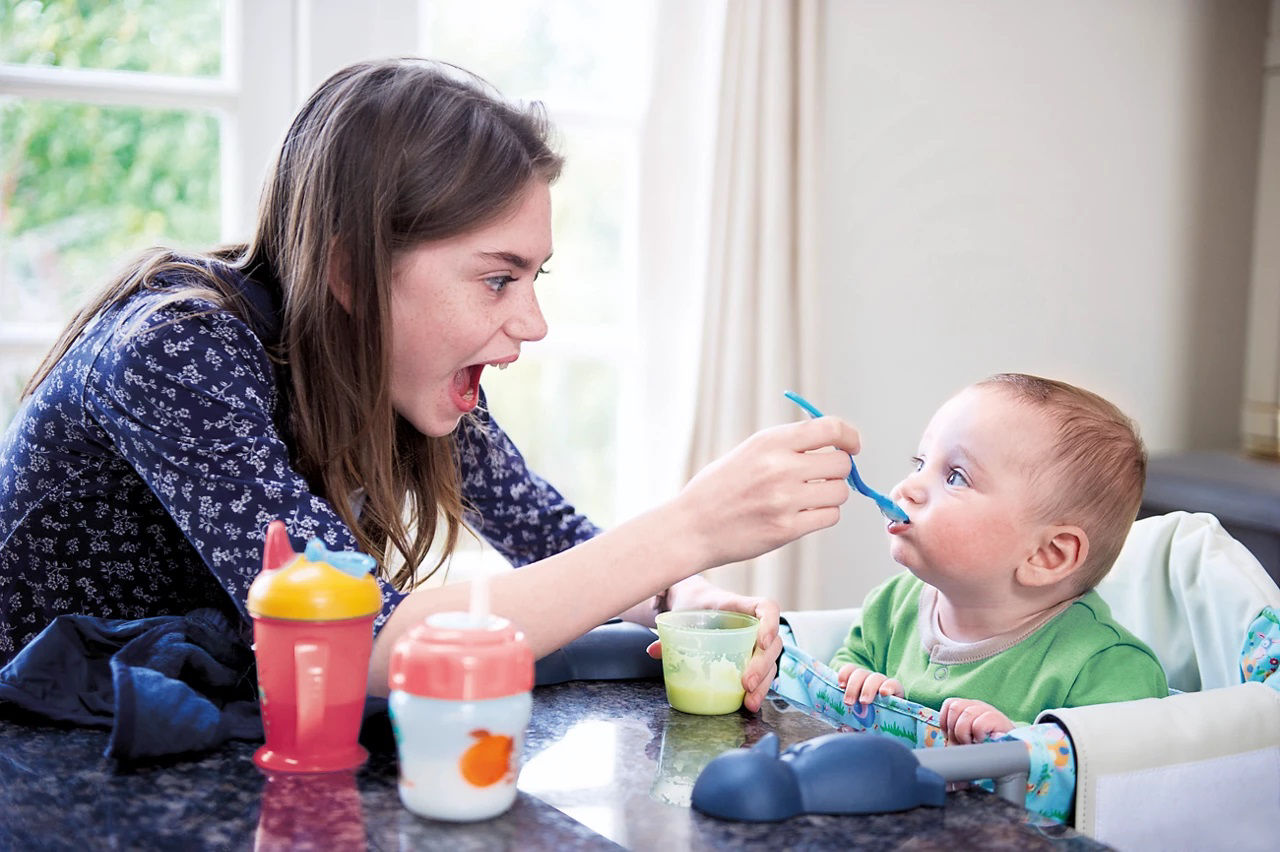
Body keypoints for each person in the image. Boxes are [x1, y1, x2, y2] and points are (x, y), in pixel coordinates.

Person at [0, 58, 863, 710]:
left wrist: (690, 597)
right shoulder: (177, 352)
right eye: (498, 278)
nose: (532, 322)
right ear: (351, 271)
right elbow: (365, 646)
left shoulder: (397, 368)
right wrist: (694, 526)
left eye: (536, 279)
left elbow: (554, 541)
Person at [831, 373, 1168, 742]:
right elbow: (847, 663)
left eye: (956, 477)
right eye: (919, 463)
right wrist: (856, 681)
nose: (906, 488)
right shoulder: (892, 605)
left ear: (1046, 555)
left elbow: (1111, 769)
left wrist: (1016, 740)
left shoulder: (1107, 667)